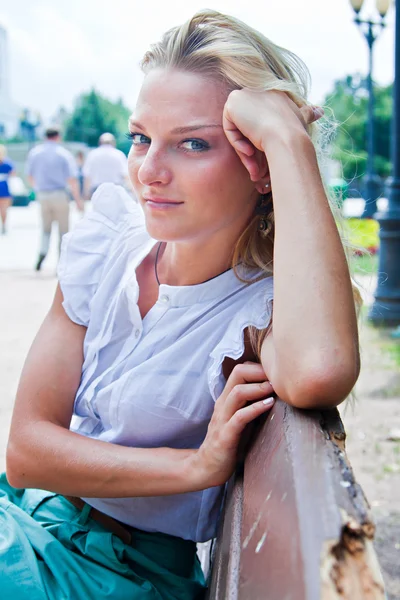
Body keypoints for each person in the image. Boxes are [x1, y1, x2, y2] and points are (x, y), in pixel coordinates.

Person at [1, 10, 361, 600]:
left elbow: (320, 371)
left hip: (121, 573)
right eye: (142, 137)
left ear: (259, 164)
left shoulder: (264, 308)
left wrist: (291, 144)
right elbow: (26, 451)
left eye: (193, 143)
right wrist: (193, 468)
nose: (150, 171)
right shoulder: (107, 248)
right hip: (30, 521)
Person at [26, 127, 84, 271]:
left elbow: (30, 176)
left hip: (43, 194)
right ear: (58, 137)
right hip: (59, 193)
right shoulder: (63, 154)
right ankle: (61, 262)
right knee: (63, 230)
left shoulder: (35, 153)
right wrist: (78, 200)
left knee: (45, 228)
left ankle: (42, 252)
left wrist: (37, 189)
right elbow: (72, 179)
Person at [83, 132, 129, 197]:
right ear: (114, 143)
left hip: (97, 190)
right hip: (115, 190)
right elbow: (125, 175)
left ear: (100, 142)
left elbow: (87, 176)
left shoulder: (92, 155)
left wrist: (86, 193)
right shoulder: (119, 154)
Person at [0, 144, 16, 235]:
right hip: (5, 187)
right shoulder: (8, 163)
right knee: (4, 209)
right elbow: (13, 174)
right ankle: (4, 225)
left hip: (4, 187)